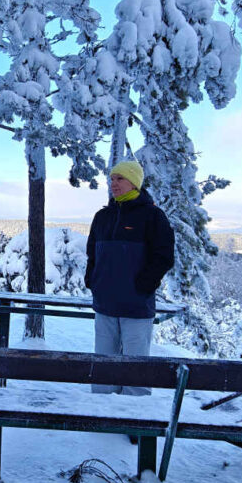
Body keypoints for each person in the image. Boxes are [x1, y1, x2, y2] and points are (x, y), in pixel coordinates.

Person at [84, 160, 175, 395]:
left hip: (136, 305)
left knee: (136, 368)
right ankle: (102, 418)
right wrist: (92, 279)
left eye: (119, 179)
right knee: (103, 365)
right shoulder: (102, 216)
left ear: (134, 182)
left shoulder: (153, 216)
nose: (113, 183)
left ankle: (136, 421)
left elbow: (163, 257)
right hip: (105, 304)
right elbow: (92, 252)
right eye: (112, 178)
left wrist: (143, 285)